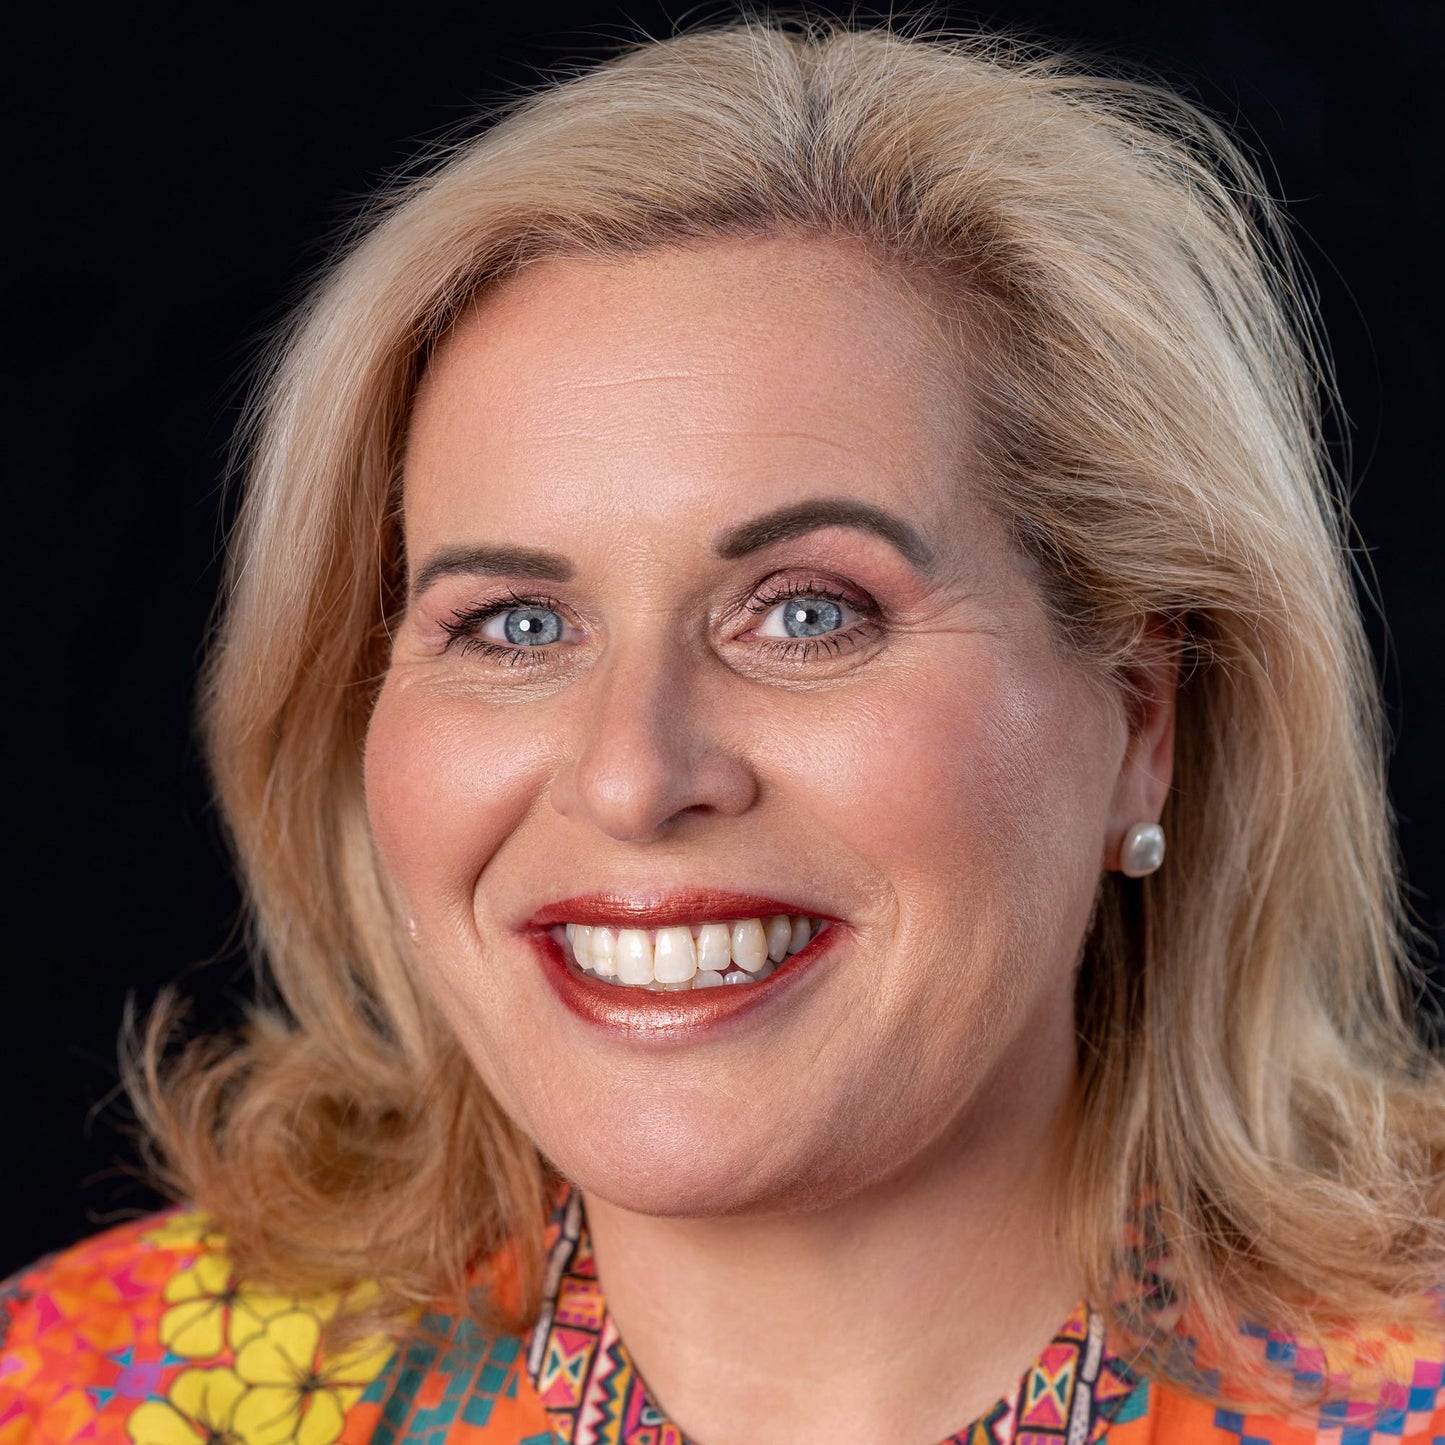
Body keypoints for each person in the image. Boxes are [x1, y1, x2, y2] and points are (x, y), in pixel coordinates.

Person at [3, 15, 1442, 1445]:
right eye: (512, 623)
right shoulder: (82, 1395)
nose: (633, 773)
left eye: (807, 612)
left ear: (1140, 711)